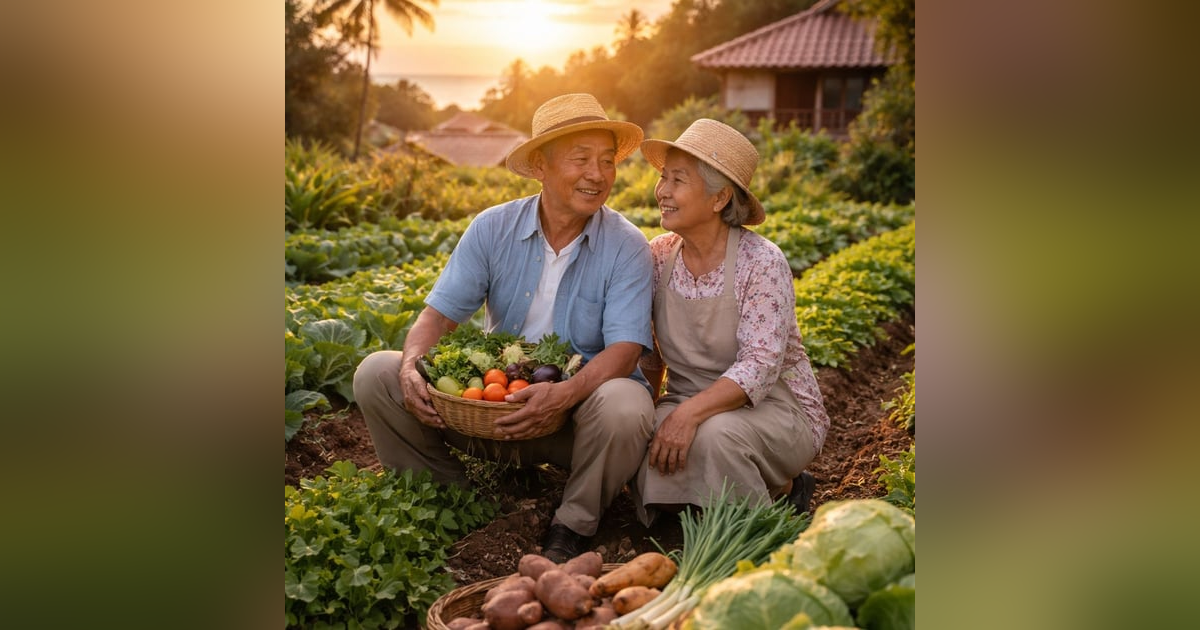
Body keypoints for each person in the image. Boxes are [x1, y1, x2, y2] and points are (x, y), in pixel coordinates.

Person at [353, 93, 656, 563]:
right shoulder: (491, 228)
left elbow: (627, 349)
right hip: (491, 411)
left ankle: (573, 525)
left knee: (625, 403)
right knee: (378, 373)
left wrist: (565, 394)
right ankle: (451, 496)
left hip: (575, 424)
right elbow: (438, 316)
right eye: (581, 159)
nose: (598, 175)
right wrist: (413, 367)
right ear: (540, 164)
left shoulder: (627, 245)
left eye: (607, 162)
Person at [632, 119, 830, 526]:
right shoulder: (658, 256)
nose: (662, 191)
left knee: (717, 435)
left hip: (775, 408)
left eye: (678, 180)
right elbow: (649, 353)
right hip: (687, 398)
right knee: (636, 433)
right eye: (663, 177)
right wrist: (651, 410)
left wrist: (687, 416)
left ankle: (775, 506)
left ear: (720, 197)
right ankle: (690, 513)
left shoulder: (762, 262)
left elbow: (759, 367)